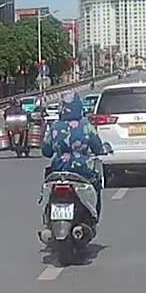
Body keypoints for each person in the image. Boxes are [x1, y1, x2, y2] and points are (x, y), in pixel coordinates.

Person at [41, 91, 109, 219]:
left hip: (58, 169)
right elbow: (98, 148)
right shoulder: (86, 126)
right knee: (96, 184)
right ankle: (93, 215)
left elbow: (46, 151)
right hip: (83, 170)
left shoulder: (54, 127)